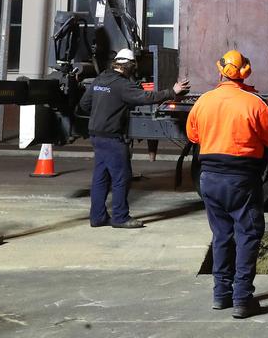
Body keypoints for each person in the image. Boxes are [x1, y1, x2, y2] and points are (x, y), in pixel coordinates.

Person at [187, 50, 268, 319]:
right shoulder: (254, 104)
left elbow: (193, 135)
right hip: (241, 180)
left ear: (219, 71)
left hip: (209, 179)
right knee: (248, 236)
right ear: (246, 73)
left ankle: (221, 295)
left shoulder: (203, 101)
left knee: (221, 236)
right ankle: (241, 299)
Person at [79, 47, 189, 229]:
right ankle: (120, 217)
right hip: (113, 138)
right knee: (122, 177)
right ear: (128, 66)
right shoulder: (123, 85)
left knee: (101, 177)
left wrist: (104, 110)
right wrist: (173, 91)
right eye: (133, 67)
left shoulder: (100, 79)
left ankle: (97, 217)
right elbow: (147, 97)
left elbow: (84, 104)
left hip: (96, 136)